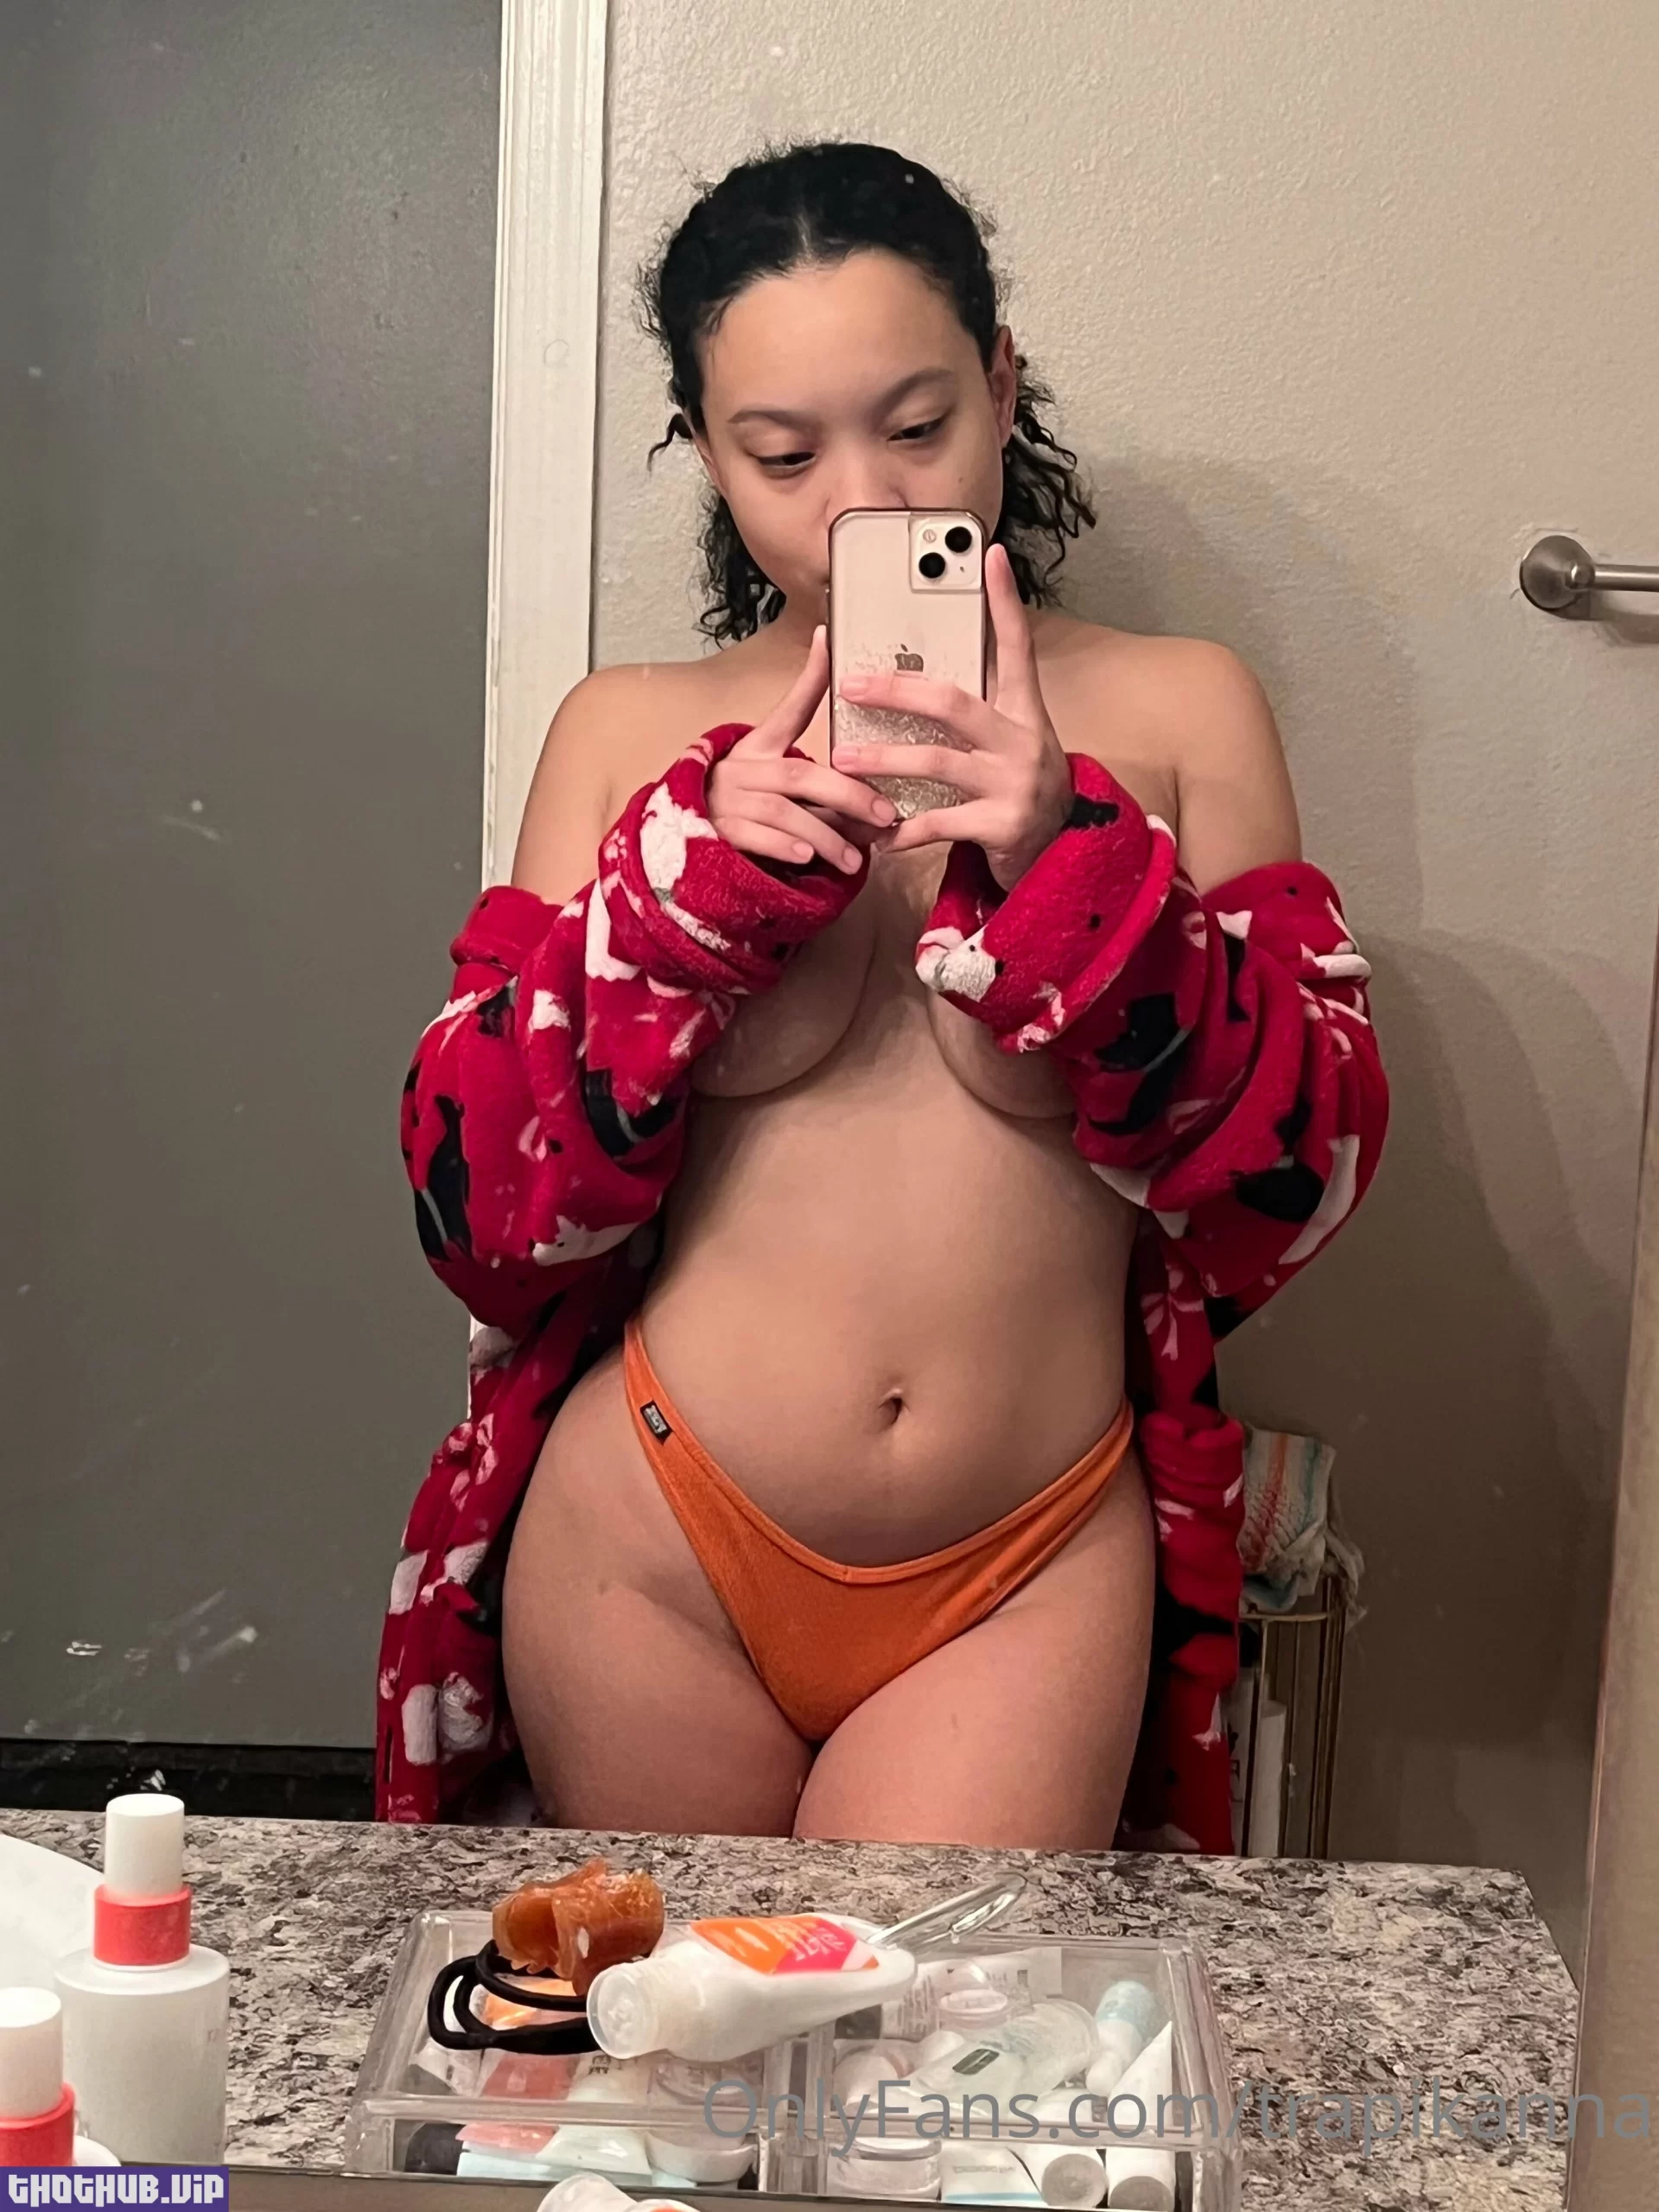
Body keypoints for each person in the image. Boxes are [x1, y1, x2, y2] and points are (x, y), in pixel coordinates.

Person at [379, 142, 1388, 1851]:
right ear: (707, 451)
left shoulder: (1182, 709)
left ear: (1001, 381)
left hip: (1025, 1558)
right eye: (782, 453)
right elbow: (476, 1215)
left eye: (917, 425)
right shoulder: (625, 732)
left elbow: (1298, 1186)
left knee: (934, 2021)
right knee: (681, 2017)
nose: (861, 499)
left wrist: (1085, 875)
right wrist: (676, 908)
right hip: (653, 1534)